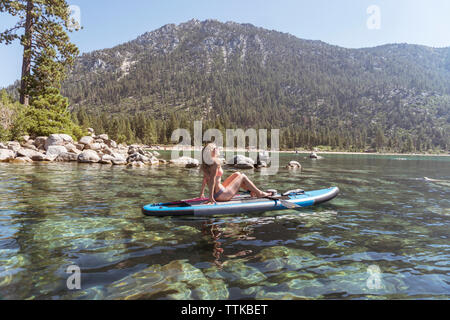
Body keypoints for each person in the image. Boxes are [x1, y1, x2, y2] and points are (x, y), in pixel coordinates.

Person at [200, 143, 272, 204]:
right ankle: (259, 193)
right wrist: (210, 198)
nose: (218, 149)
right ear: (213, 151)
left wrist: (202, 193)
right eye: (216, 148)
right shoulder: (215, 162)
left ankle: (252, 191)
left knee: (237, 174)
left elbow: (205, 179)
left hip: (217, 193)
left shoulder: (206, 163)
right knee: (242, 176)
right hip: (222, 195)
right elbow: (212, 180)